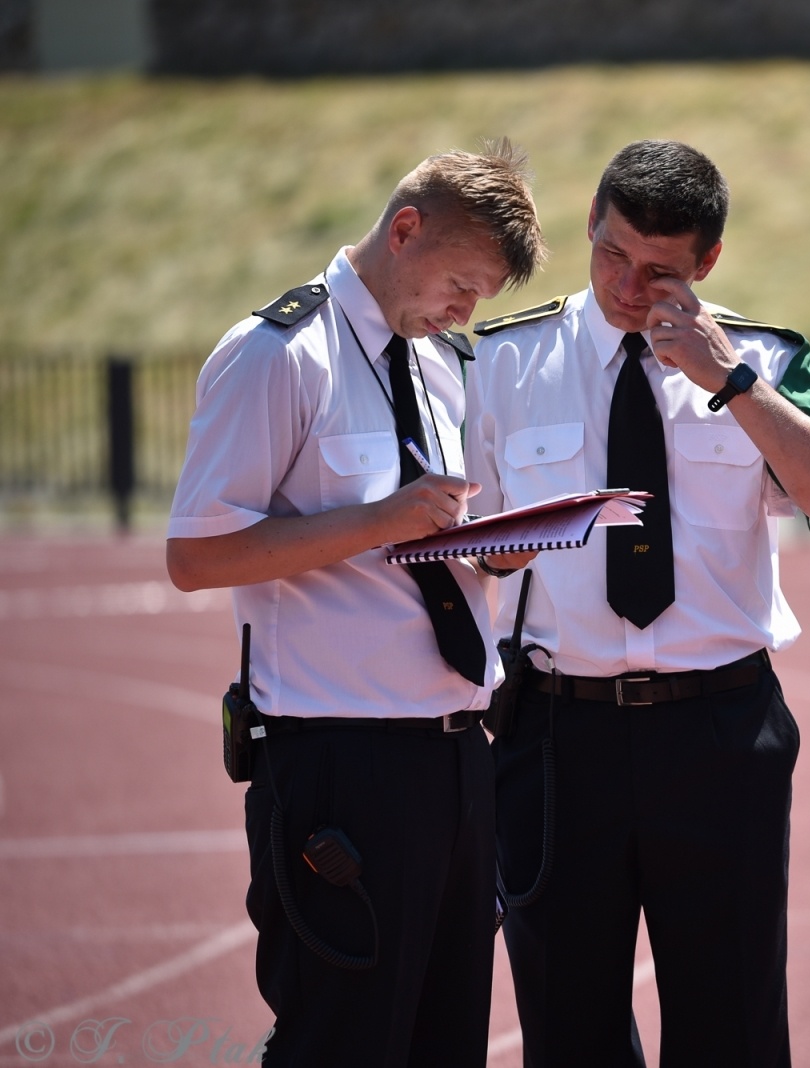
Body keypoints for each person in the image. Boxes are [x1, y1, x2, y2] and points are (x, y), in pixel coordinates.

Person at [466, 138, 810, 1067]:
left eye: (659, 270)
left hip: (718, 733)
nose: (626, 283)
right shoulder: (500, 362)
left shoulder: (764, 359)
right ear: (589, 223)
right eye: (611, 253)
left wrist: (729, 382)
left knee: (730, 1024)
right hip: (554, 736)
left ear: (707, 264)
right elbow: (462, 553)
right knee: (567, 1028)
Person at [166, 141, 546, 1067]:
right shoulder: (278, 355)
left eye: (481, 300)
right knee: (340, 1043)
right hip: (342, 763)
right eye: (461, 284)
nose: (465, 311)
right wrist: (376, 521)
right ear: (405, 230)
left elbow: (432, 540)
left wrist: (498, 550)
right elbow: (196, 553)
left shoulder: (440, 362)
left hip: (459, 759)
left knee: (445, 1044)